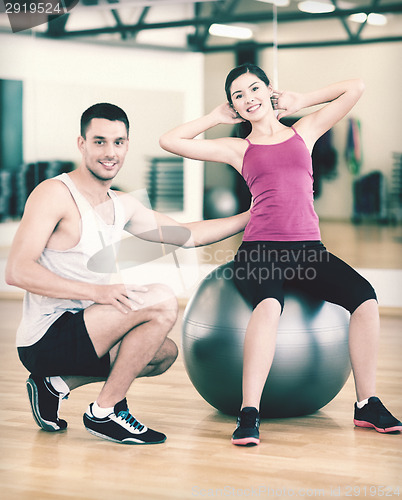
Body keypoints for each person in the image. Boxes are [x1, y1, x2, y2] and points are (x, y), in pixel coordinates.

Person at [159, 63, 402, 445]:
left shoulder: (304, 132)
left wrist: (302, 100)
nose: (248, 99)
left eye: (254, 89)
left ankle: (366, 404)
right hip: (260, 250)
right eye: (238, 96)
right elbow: (170, 141)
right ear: (234, 108)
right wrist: (213, 117)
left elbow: (355, 86)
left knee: (366, 298)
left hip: (310, 251)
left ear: (268, 90)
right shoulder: (238, 148)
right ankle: (249, 413)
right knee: (270, 306)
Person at [5, 102, 251, 445]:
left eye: (118, 142)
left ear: (127, 145)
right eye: (100, 141)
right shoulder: (54, 194)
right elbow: (17, 271)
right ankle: (104, 412)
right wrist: (98, 292)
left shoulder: (122, 204)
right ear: (82, 144)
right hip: (45, 337)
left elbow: (187, 235)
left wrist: (255, 214)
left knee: (162, 354)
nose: (110, 152)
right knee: (162, 300)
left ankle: (54, 385)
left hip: (89, 327)